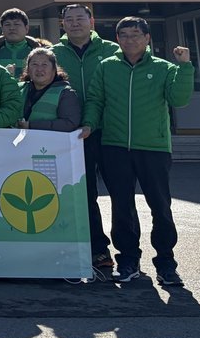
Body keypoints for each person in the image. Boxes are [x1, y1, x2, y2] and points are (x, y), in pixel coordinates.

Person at [80, 17, 194, 287]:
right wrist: (89, 124)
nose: (129, 40)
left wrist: (185, 66)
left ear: (147, 38)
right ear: (117, 39)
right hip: (115, 146)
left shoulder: (164, 68)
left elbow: (179, 99)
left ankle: (166, 264)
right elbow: (96, 100)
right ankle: (128, 261)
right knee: (122, 207)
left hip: (153, 148)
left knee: (160, 207)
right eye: (124, 35)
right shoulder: (107, 67)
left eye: (135, 34)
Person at [53, 3, 119, 278]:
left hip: (110, 131)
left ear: (92, 21)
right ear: (63, 24)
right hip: (73, 135)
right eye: (69, 19)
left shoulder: (112, 51)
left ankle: (128, 253)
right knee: (84, 194)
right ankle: (97, 250)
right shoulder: (54, 53)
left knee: (120, 195)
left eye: (80, 18)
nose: (75, 23)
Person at [17, 48, 81, 131]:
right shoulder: (17, 89)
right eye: (34, 64)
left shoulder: (65, 93)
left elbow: (70, 123)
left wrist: (32, 125)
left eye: (44, 65)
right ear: (28, 69)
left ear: (54, 69)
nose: (39, 69)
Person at [0, 8, 44, 78]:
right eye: (7, 24)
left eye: (16, 24)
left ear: (26, 28)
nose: (12, 28)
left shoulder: (42, 52)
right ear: (2, 29)